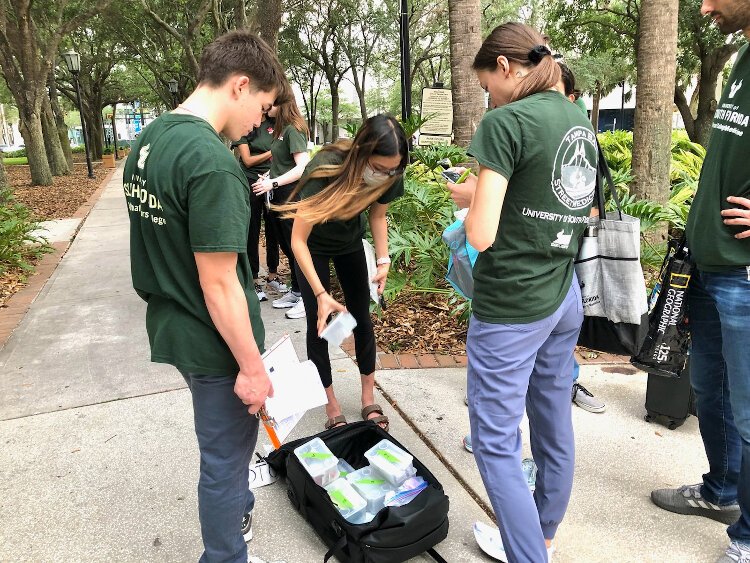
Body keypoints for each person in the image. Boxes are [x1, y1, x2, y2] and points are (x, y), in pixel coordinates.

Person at [123, 30, 286, 563]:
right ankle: (225, 557)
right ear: (240, 85)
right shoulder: (213, 164)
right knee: (224, 462)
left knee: (226, 459)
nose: (262, 123)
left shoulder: (148, 141)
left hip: (177, 327)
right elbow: (219, 284)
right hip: (216, 343)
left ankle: (235, 525)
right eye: (263, 106)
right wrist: (252, 367)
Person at [460, 22, 597, 562]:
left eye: (485, 85)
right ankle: (542, 533)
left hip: (513, 302)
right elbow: (571, 201)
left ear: (503, 68)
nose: (487, 96)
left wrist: (468, 203)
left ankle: (528, 555)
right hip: (562, 292)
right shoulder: (574, 115)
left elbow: (481, 233)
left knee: (495, 445)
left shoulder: (506, 121)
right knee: (551, 417)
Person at [651, 2, 750, 562]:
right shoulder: (741, 59)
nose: (706, 6)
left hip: (745, 274)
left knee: (749, 409)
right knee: (709, 392)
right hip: (713, 265)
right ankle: (722, 491)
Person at [275, 115, 407, 430]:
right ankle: (331, 405)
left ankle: (367, 398)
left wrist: (384, 259)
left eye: (393, 170)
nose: (385, 176)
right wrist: (321, 294)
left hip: (350, 242)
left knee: (361, 318)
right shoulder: (324, 169)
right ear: (360, 153)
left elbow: (378, 215)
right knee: (319, 324)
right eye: (378, 169)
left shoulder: (392, 170)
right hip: (314, 246)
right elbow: (298, 241)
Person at [252, 99, 311, 319]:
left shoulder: (294, 129)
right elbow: (282, 164)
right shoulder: (280, 130)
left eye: (269, 106)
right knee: (287, 245)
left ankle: (308, 297)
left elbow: (302, 166)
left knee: (297, 247)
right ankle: (296, 291)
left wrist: (273, 183)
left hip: (291, 196)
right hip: (278, 195)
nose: (266, 110)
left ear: (283, 104)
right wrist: (270, 176)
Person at [233, 117, 286, 302]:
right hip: (251, 180)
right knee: (252, 230)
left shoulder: (275, 122)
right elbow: (247, 160)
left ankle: (272, 274)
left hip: (272, 181)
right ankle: (253, 279)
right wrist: (272, 151)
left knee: (274, 229)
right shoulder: (245, 124)